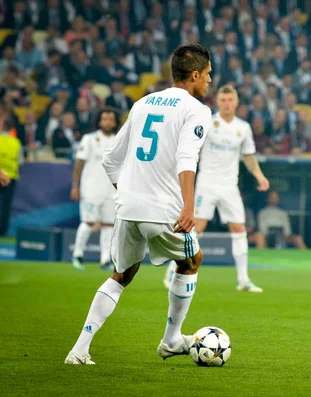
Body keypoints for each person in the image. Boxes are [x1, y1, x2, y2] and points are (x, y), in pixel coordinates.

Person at [64, 44, 212, 365]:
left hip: (127, 208)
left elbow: (109, 158)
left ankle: (79, 350)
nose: (210, 82)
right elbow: (187, 157)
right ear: (196, 75)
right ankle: (172, 340)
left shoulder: (142, 103)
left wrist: (126, 192)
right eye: (209, 75)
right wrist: (189, 205)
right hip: (164, 208)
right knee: (191, 260)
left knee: (121, 274)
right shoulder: (197, 110)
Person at [164, 84, 270, 293]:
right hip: (207, 183)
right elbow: (191, 146)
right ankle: (171, 271)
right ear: (218, 102)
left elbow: (248, 156)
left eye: (230, 100)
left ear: (236, 102)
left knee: (239, 229)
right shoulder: (208, 122)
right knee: (196, 227)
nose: (227, 104)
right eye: (223, 100)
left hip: (229, 186)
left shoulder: (243, 128)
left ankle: (243, 280)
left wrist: (259, 175)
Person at [70, 109, 120, 271]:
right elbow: (79, 164)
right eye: (104, 119)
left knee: (108, 225)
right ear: (99, 121)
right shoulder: (89, 139)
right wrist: (75, 186)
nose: (108, 122)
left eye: (111, 119)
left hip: (111, 190)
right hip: (90, 188)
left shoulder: (118, 141)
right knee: (89, 222)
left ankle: (105, 259)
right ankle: (77, 255)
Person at [0, 119, 21, 237]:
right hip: (10, 177)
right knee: (6, 206)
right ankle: (2, 231)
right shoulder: (16, 142)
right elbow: (20, 161)